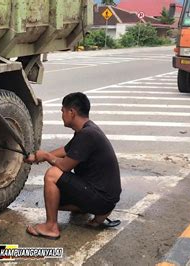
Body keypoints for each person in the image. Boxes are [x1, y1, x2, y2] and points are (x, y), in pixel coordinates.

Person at [25, 92, 121, 240]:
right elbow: (65, 150)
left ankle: (51, 227)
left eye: (62, 111)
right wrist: (37, 157)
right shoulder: (87, 129)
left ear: (72, 112)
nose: (62, 115)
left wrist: (46, 156)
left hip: (102, 199)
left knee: (52, 174)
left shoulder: (87, 135)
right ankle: (94, 211)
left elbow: (64, 166)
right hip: (105, 197)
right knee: (53, 199)